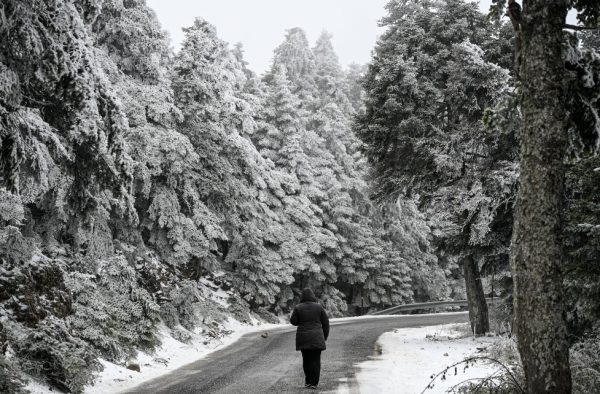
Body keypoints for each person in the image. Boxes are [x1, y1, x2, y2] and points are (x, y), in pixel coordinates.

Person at [290, 288, 330, 390]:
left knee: (306, 360)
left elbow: (293, 321)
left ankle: (308, 381)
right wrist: (324, 336)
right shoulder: (319, 307)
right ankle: (314, 383)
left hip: (303, 338)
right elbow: (325, 323)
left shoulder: (298, 308)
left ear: (302, 297)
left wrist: (301, 320)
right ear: (313, 296)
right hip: (317, 337)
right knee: (316, 361)